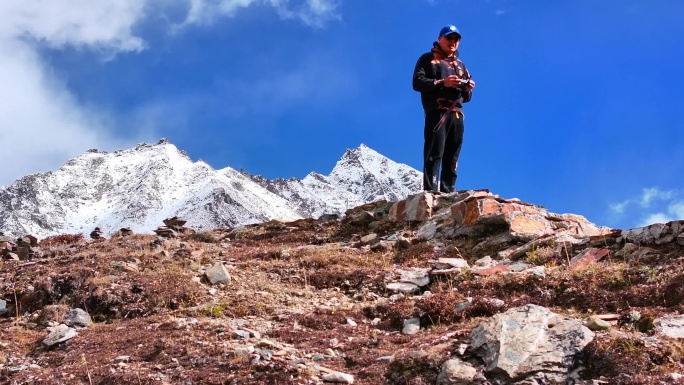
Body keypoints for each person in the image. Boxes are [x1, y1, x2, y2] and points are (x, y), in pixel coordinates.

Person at [413, 24, 475, 193]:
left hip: (457, 114)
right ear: (440, 39)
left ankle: (448, 190)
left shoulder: (461, 65)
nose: (453, 41)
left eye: (456, 39)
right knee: (434, 153)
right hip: (437, 112)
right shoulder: (427, 59)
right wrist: (443, 82)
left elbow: (467, 98)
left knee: (452, 156)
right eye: (449, 38)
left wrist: (467, 88)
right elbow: (417, 83)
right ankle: (431, 192)